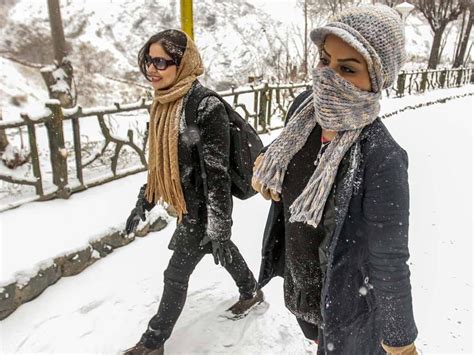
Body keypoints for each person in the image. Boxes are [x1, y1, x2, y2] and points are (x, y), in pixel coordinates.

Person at [253, 5, 418, 354]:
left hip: (345, 304)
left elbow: (389, 258)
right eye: (324, 60)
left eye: (347, 68)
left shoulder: (381, 157)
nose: (327, 76)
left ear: (377, 78)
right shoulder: (305, 111)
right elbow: (287, 153)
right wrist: (269, 164)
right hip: (302, 287)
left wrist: (401, 342)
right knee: (316, 338)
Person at [124, 29, 263, 355]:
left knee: (175, 274)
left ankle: (152, 342)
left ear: (182, 63)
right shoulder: (163, 104)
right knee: (221, 249)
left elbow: (216, 175)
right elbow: (160, 165)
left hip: (204, 207)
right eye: (148, 60)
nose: (151, 69)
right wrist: (142, 203)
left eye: (161, 61)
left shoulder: (204, 107)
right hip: (186, 203)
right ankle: (251, 290)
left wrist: (218, 226)